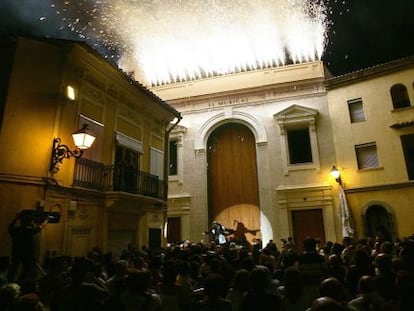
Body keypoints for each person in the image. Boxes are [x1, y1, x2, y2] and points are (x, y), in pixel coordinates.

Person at [8, 211, 48, 282]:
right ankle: (20, 282)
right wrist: (47, 220)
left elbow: (10, 227)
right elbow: (41, 226)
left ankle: (10, 282)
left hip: (16, 253)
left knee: (13, 269)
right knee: (26, 270)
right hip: (27, 254)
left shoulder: (15, 230)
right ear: (28, 222)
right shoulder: (29, 231)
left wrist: (16, 218)